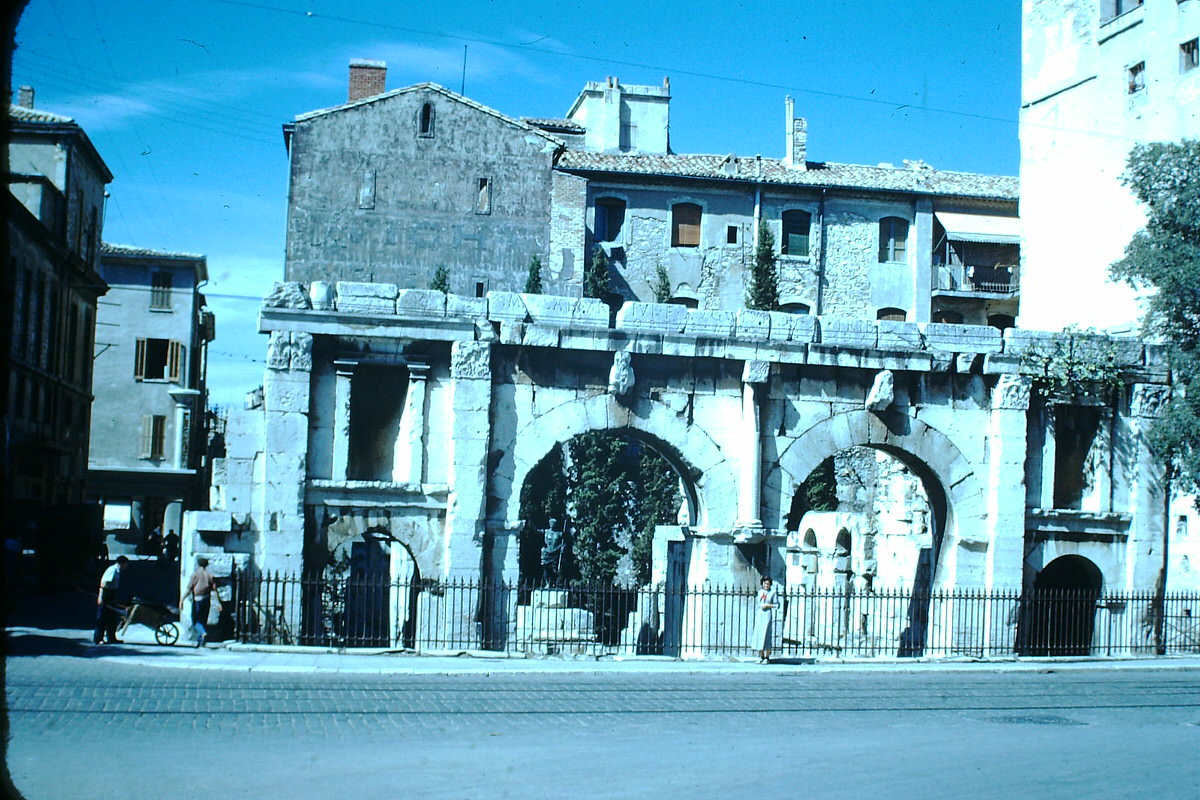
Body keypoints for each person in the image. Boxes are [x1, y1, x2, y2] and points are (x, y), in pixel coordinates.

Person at [183, 557, 220, 646]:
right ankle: (200, 641)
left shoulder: (195, 575)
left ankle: (202, 633)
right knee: (203, 620)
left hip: (197, 600)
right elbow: (215, 590)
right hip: (207, 600)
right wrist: (219, 603)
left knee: (195, 620)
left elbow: (189, 589)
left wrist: (182, 599)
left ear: (198, 564)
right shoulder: (210, 575)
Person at [93, 556, 129, 645]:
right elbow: (104, 583)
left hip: (112, 594)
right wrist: (101, 597)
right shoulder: (112, 570)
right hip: (106, 595)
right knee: (102, 618)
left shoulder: (117, 571)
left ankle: (111, 638)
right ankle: (98, 638)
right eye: (126, 564)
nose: (126, 566)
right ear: (122, 563)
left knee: (112, 618)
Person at [752, 575, 779, 664]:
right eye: (765, 583)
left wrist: (768, 605)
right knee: (759, 634)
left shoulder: (773, 592)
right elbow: (758, 603)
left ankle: (767, 657)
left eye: (768, 584)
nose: (766, 585)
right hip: (760, 614)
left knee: (766, 635)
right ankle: (760, 656)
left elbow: (777, 605)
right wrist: (761, 606)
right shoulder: (760, 592)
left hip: (767, 614)